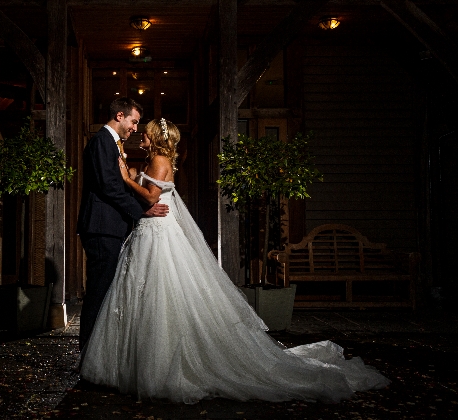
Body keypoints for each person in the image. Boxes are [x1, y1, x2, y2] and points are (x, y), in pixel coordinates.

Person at [80, 118, 391, 404]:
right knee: (143, 295)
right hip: (146, 231)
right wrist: (130, 174)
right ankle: (138, 361)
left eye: (144, 132)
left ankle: (165, 364)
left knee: (164, 293)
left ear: (155, 137)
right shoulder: (151, 160)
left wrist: (124, 177)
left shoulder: (160, 160)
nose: (141, 136)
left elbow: (149, 198)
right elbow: (145, 192)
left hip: (158, 233)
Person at [76, 97, 169, 352]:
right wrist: (142, 210)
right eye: (134, 121)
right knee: (98, 291)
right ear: (120, 116)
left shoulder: (111, 143)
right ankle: (88, 354)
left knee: (104, 290)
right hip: (101, 227)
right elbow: (108, 186)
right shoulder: (102, 141)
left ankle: (96, 352)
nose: (135, 128)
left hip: (109, 227)